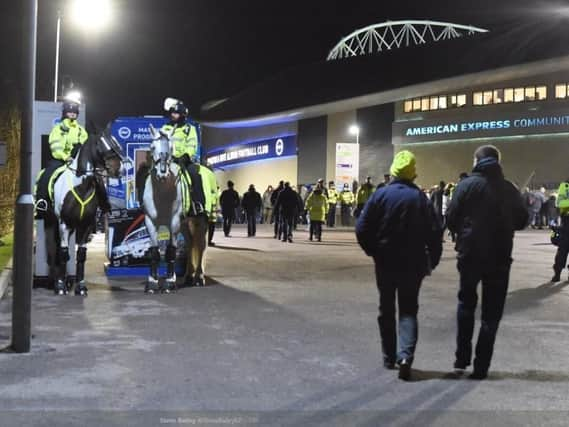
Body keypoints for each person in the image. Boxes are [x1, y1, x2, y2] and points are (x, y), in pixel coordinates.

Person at [356, 150, 442, 381]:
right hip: (413, 263)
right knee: (408, 310)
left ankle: (388, 356)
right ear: (413, 173)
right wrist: (432, 260)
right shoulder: (420, 199)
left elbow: (362, 228)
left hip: (385, 260)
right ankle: (405, 356)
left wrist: (373, 251)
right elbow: (435, 233)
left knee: (386, 308)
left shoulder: (380, 195)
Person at [447, 145, 528, 380]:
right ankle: (481, 366)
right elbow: (522, 219)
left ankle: (461, 360)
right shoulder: (509, 188)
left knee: (466, 304)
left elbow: (452, 217)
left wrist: (463, 233)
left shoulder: (465, 185)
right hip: (500, 255)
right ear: (498, 161)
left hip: (470, 253)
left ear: (476, 161)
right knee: (491, 314)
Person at [35, 98, 111, 216]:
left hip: (78, 160)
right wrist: (66, 157)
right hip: (60, 160)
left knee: (97, 178)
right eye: (70, 112)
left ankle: (104, 204)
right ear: (65, 113)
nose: (72, 114)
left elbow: (86, 147)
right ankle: (42, 201)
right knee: (46, 174)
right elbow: (56, 147)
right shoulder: (58, 128)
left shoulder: (81, 130)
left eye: (74, 112)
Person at [552, 179, 569, 282]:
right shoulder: (565, 186)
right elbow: (560, 203)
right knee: (563, 250)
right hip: (567, 222)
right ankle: (557, 273)